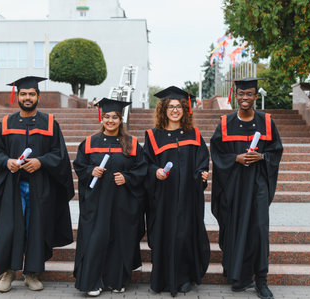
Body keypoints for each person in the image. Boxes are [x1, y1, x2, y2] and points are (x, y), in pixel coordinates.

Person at [0, 76, 74, 293]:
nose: (27, 97)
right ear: (17, 96)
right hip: (13, 187)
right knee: (10, 229)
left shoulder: (50, 123)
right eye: (24, 94)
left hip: (39, 188)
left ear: (38, 96)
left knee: (35, 229)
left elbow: (60, 155)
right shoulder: (6, 123)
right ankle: (8, 272)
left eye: (32, 94)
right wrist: (7, 162)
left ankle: (32, 273)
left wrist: (41, 162)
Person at [210, 78, 283, 299]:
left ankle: (261, 279)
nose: (244, 98)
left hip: (258, 183)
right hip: (233, 185)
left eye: (249, 94)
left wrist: (261, 156)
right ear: (235, 95)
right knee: (234, 227)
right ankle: (239, 276)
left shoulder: (267, 122)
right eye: (241, 94)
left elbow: (276, 151)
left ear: (255, 97)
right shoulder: (225, 123)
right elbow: (217, 154)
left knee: (259, 230)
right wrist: (236, 158)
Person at [73, 98, 147, 297]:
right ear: (102, 118)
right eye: (107, 117)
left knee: (118, 239)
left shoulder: (131, 144)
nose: (111, 121)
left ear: (121, 119)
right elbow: (79, 166)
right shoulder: (89, 143)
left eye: (115, 117)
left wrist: (127, 177)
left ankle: (116, 280)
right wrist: (91, 171)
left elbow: (142, 169)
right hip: (96, 203)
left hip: (122, 202)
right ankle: (92, 282)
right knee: (95, 239)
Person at [143, 86, 211, 297]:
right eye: (171, 106)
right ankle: (162, 278)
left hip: (189, 197)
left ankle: (183, 278)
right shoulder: (154, 136)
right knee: (165, 235)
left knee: (184, 235)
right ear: (163, 109)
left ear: (185, 109)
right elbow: (145, 164)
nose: (175, 110)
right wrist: (156, 172)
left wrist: (202, 173)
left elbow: (202, 160)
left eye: (179, 106)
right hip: (164, 198)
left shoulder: (194, 134)